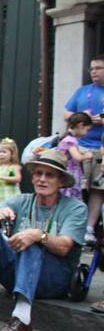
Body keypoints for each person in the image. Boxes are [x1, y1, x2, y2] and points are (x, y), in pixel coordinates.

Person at [0, 150, 86, 331]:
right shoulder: (21, 200)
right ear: (32, 177)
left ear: (61, 182)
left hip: (54, 280)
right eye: (38, 174)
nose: (42, 179)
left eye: (49, 175)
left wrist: (38, 235)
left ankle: (22, 320)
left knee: (32, 240)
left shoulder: (75, 208)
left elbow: (64, 247)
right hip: (18, 274)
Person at [63, 54, 104, 244]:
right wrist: (83, 116)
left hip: (101, 148)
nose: (93, 72)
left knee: (98, 189)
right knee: (76, 186)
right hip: (79, 147)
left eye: (98, 68)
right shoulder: (83, 91)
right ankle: (71, 225)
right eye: (92, 68)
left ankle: (89, 228)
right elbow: (66, 114)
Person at [55, 112, 94, 202]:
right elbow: (77, 157)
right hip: (70, 174)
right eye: (87, 130)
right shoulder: (70, 140)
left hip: (70, 172)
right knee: (70, 196)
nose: (86, 133)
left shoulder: (67, 138)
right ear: (81, 125)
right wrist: (87, 155)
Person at [0, 138, 23, 210]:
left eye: (4, 152)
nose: (1, 154)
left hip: (10, 196)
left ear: (12, 154)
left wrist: (4, 178)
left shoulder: (14, 167)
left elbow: (18, 178)